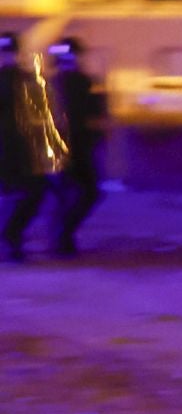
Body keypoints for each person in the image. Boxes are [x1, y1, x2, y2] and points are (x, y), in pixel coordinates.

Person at [1, 33, 60, 264]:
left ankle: (12, 237)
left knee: (30, 193)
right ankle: (12, 238)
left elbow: (41, 115)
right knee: (29, 193)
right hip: (14, 150)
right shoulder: (26, 79)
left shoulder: (26, 79)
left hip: (20, 150)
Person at [46, 36, 105, 258]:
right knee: (83, 193)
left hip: (71, 148)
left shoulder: (54, 83)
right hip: (72, 148)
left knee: (71, 194)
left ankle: (62, 238)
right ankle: (63, 238)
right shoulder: (77, 82)